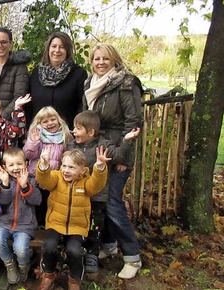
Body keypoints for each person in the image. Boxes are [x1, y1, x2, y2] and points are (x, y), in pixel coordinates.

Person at [83, 43, 143, 279]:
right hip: (97, 152)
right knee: (99, 201)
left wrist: (125, 158)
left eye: (105, 59)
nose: (100, 63)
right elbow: (86, 119)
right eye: (96, 59)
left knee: (113, 204)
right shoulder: (89, 84)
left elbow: (134, 123)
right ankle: (108, 245)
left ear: (114, 60)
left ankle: (132, 257)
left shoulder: (126, 83)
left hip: (118, 150)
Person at [68, 110, 140, 274]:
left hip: (97, 197)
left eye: (78, 128)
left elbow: (119, 155)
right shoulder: (72, 145)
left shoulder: (102, 145)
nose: (74, 131)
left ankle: (92, 254)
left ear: (91, 132)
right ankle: (80, 252)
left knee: (95, 225)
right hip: (79, 195)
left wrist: (126, 140)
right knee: (80, 224)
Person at [35, 147, 110, 290]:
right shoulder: (56, 178)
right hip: (55, 223)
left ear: (82, 170)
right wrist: (44, 165)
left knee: (74, 250)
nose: (66, 170)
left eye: (71, 167)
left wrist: (100, 167)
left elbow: (97, 184)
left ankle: (74, 280)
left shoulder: (86, 183)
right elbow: (44, 181)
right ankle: (48, 275)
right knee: (49, 246)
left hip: (77, 226)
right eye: (64, 166)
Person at [0, 148, 41, 285]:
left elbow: (37, 200)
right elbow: (2, 202)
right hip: (4, 223)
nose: (16, 168)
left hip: (25, 225)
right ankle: (10, 265)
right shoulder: (2, 181)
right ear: (5, 167)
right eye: (11, 165)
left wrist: (25, 186)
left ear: (26, 164)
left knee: (20, 248)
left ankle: (23, 267)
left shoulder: (32, 180)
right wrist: (5, 184)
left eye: (19, 164)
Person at [23, 106, 73, 227]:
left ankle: (49, 224)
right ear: (39, 123)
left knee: (51, 201)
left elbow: (68, 156)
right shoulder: (36, 135)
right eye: (45, 121)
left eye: (52, 119)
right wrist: (33, 142)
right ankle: (36, 224)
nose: (50, 123)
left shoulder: (65, 136)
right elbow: (28, 155)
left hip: (54, 176)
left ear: (58, 120)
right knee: (37, 201)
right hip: (36, 175)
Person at [27, 32, 87, 129]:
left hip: (67, 135)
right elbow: (29, 106)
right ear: (48, 49)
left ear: (67, 50)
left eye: (62, 47)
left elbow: (82, 106)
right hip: (38, 135)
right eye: (54, 46)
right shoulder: (36, 73)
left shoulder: (78, 74)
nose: (57, 50)